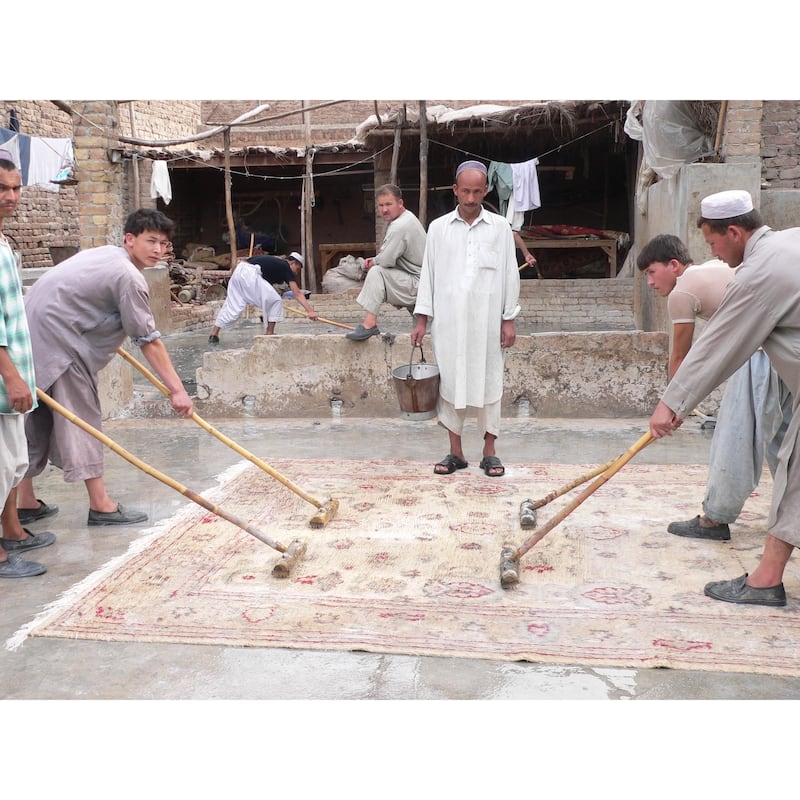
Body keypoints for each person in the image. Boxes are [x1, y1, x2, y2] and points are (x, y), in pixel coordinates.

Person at [650, 189, 800, 606]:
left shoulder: (758, 274)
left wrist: (670, 406)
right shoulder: (790, 241)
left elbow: (715, 346)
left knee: (792, 474)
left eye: (713, 242)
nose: (712, 252)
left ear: (734, 232)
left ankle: (765, 581)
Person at [16, 208, 194, 528]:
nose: (157, 250)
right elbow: (148, 339)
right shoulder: (128, 276)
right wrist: (177, 390)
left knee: (37, 418)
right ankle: (101, 506)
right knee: (83, 420)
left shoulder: (105, 255)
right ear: (130, 240)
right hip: (59, 341)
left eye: (163, 244)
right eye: (150, 241)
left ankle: (25, 502)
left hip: (32, 336)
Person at [637, 233, 791, 541]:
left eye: (652, 272)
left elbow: (681, 356)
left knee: (737, 434)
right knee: (783, 437)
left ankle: (715, 519)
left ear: (674, 265)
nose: (650, 283)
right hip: (783, 349)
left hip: (761, 349)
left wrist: (673, 406)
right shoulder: (708, 270)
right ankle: (790, 516)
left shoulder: (683, 290)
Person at [411, 160, 520, 478]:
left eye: (477, 191)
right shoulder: (438, 228)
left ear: (485, 191)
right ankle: (455, 452)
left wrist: (508, 318)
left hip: (487, 323)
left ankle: (490, 451)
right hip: (449, 322)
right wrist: (421, 321)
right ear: (455, 190)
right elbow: (427, 277)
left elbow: (510, 275)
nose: (471, 199)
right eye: (465, 191)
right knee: (451, 383)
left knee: (490, 382)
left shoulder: (500, 228)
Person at [0, 150, 52, 577]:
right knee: (0, 468)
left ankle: (12, 532)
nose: (10, 197)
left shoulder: (3, 242)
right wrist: (13, 376)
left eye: (16, 188)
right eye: (2, 189)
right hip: (4, 378)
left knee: (14, 463)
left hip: (12, 379)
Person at [346, 184, 427, 341]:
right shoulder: (406, 218)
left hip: (418, 284)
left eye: (389, 204)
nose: (384, 210)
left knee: (377, 272)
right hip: (420, 283)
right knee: (426, 335)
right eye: (381, 205)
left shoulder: (400, 225)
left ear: (400, 203)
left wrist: (373, 262)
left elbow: (386, 261)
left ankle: (370, 324)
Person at [208, 252, 318, 343]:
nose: (297, 272)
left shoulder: (273, 263)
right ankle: (269, 333)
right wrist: (310, 311)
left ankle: (214, 334)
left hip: (238, 272)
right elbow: (297, 293)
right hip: (249, 273)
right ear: (293, 263)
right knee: (276, 301)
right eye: (298, 269)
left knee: (232, 304)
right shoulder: (285, 266)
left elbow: (264, 291)